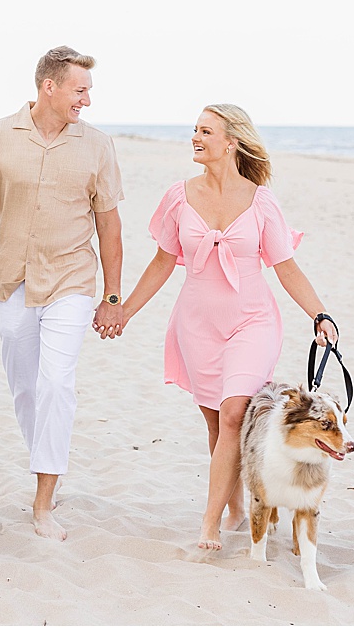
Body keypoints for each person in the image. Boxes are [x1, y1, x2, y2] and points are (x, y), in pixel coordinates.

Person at [117, 104, 337, 552]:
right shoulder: (179, 196)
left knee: (236, 413)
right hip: (196, 324)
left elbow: (286, 268)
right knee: (219, 427)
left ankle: (209, 523)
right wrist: (125, 311)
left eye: (206, 131)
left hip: (252, 321)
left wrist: (320, 314)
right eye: (194, 130)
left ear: (231, 141)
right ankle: (238, 507)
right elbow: (162, 262)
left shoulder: (260, 201)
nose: (195, 137)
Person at [0, 46, 125, 541]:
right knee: (26, 388)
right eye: (80, 90)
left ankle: (44, 499)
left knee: (57, 383)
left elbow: (109, 224)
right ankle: (47, 460)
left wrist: (112, 295)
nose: (86, 99)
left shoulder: (98, 145)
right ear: (50, 87)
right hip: (11, 279)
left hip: (71, 279)